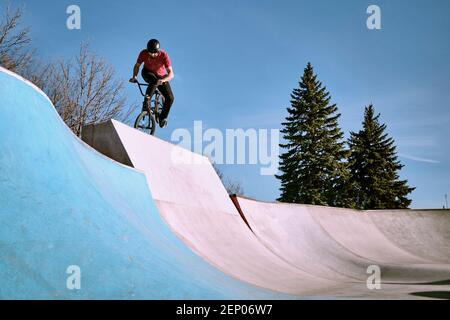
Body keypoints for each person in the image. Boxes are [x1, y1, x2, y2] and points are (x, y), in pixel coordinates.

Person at [129, 39, 174, 128]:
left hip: (161, 77)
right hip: (147, 72)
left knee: (170, 98)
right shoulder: (143, 53)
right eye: (150, 53)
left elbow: (171, 73)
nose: (152, 55)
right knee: (153, 81)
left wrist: (164, 80)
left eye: (155, 53)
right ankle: (147, 101)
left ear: (158, 51)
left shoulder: (164, 55)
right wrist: (134, 76)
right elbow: (137, 65)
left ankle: (162, 118)